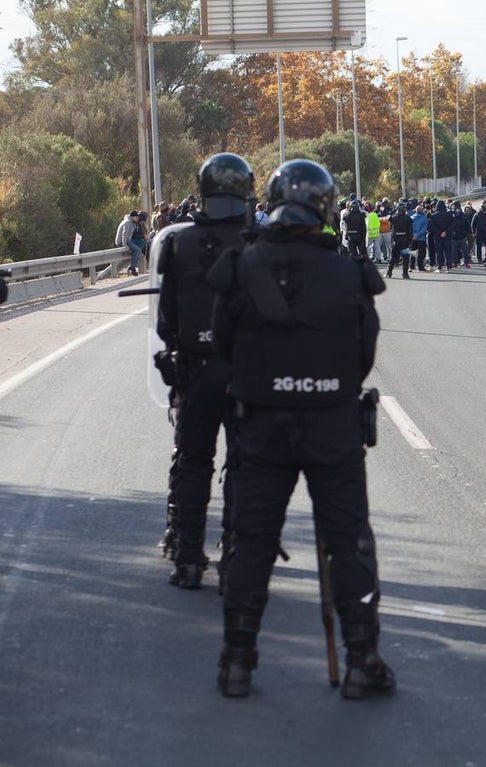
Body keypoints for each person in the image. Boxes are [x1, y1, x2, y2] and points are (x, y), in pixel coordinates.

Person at [207, 158, 393, 699]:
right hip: (333, 425)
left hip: (259, 427)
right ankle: (363, 663)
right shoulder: (348, 270)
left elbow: (222, 344)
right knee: (349, 543)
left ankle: (236, 663)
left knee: (251, 542)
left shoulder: (242, 265)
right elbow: (364, 353)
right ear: (324, 209)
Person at [155, 153, 254, 590]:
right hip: (250, 374)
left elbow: (164, 322)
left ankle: (188, 557)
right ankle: (236, 558)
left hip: (195, 371)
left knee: (193, 461)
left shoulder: (179, 244)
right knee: (245, 466)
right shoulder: (262, 243)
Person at [387, 199, 414, 279]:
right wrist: (410, 242)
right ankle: (405, 274)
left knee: (393, 257)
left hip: (396, 240)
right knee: (405, 258)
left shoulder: (393, 218)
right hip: (405, 241)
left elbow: (391, 226)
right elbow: (410, 231)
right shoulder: (408, 219)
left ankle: (389, 273)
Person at [115, 210, 140, 275]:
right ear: (132, 217)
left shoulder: (131, 222)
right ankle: (132, 267)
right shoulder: (128, 222)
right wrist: (125, 245)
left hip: (127, 240)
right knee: (137, 250)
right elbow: (124, 234)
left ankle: (132, 267)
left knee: (137, 250)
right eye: (136, 217)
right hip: (122, 241)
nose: (137, 218)